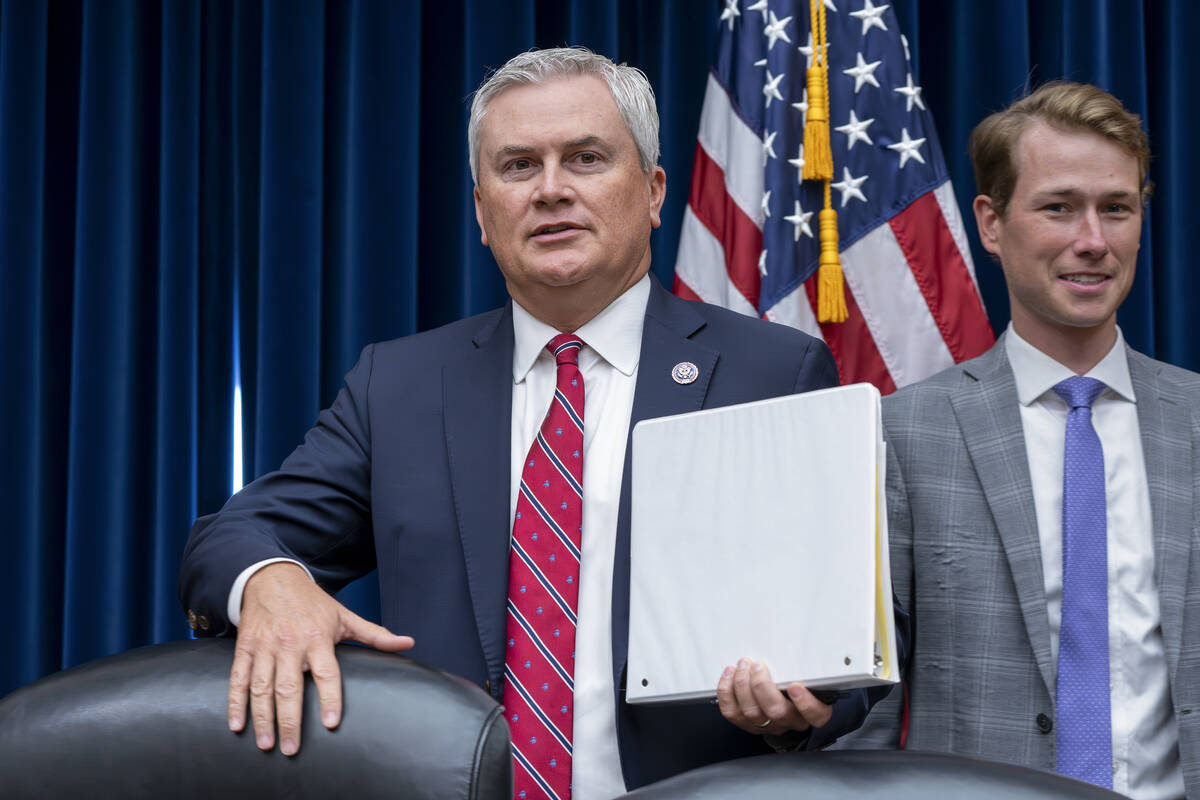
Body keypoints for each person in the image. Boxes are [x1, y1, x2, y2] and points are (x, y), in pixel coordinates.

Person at [180, 47, 902, 799]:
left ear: (654, 192)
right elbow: (227, 539)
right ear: (483, 211)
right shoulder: (398, 386)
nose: (551, 190)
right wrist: (269, 580)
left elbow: (855, 616)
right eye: (518, 166)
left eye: (586, 158)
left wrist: (797, 712)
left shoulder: (770, 373)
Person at [837, 81, 1200, 798]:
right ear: (992, 223)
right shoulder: (903, 432)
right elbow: (865, 707)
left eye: (1116, 209)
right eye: (1059, 207)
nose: (1092, 241)